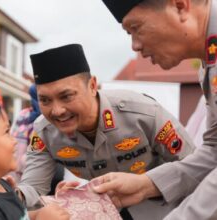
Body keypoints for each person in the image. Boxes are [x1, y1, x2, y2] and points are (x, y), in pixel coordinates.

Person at [16, 43, 196, 219]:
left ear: (93, 86)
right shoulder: (44, 131)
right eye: (45, 100)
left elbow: (194, 167)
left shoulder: (142, 114)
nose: (57, 111)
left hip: (168, 210)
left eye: (66, 96)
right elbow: (33, 187)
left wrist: (149, 187)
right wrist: (11, 195)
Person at [92, 0, 217, 219]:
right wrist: (145, 184)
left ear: (180, 6)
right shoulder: (209, 62)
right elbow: (214, 150)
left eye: (136, 28)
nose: (135, 46)